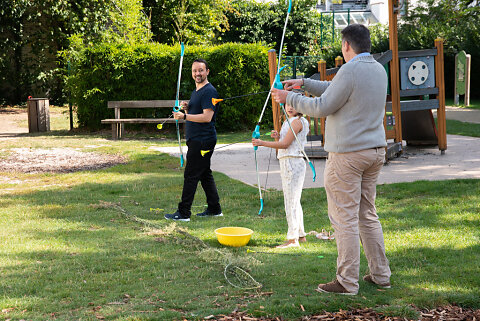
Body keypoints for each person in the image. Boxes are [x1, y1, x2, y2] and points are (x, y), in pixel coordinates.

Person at [271, 24, 391, 295]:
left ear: (347, 45)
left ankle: (347, 282)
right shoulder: (376, 68)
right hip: (375, 152)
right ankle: (381, 275)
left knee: (344, 217)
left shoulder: (350, 70)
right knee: (367, 214)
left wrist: (288, 96)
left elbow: (322, 107)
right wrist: (305, 83)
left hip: (348, 155)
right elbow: (334, 89)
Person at [165, 58, 222, 222]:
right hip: (197, 139)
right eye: (195, 71)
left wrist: (185, 116)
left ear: (207, 72)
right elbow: (199, 112)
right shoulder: (197, 91)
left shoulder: (209, 91)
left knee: (191, 175)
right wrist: (188, 108)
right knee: (204, 174)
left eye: (201, 70)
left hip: (203, 140)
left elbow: (207, 117)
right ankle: (214, 208)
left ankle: (183, 213)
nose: (198, 73)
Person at [252, 104, 309, 249]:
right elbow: (285, 142)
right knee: (294, 200)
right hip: (289, 161)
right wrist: (278, 137)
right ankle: (300, 235)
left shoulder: (297, 121)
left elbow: (284, 145)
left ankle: (292, 240)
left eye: (294, 105)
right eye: (288, 105)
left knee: (291, 201)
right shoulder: (288, 121)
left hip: (292, 162)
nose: (290, 108)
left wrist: (261, 143)